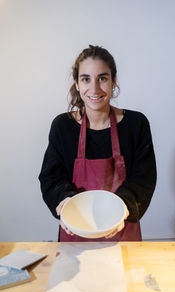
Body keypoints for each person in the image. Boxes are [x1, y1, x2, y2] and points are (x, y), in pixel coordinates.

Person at [38, 45, 157, 242]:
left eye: (102, 78)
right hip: (75, 234)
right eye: (86, 79)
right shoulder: (63, 127)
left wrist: (119, 211)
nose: (94, 89)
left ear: (113, 81)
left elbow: (144, 179)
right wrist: (65, 202)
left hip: (123, 232)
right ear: (77, 83)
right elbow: (51, 178)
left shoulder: (136, 125)